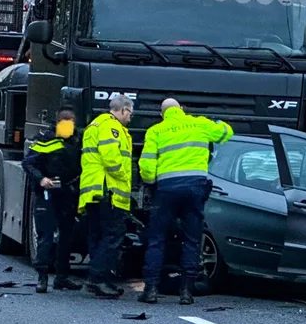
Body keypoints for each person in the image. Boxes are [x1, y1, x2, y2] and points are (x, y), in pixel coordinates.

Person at [138, 99, 233, 305]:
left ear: (162, 114)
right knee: (192, 239)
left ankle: (151, 290)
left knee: (157, 239)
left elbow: (146, 167)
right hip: (195, 188)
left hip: (167, 190)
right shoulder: (199, 123)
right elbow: (227, 133)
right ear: (182, 109)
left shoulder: (156, 131)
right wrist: (217, 122)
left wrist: (153, 181)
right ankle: (187, 292)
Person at [21, 108, 85, 293]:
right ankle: (42, 277)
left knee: (66, 235)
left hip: (67, 192)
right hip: (46, 192)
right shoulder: (46, 139)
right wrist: (41, 178)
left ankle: (62, 277)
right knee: (46, 235)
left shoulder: (76, 140)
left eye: (71, 120)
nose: (68, 124)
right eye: (65, 120)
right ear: (58, 122)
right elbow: (28, 163)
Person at [79, 95, 133, 299]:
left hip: (94, 191)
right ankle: (96, 278)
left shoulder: (96, 124)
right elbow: (111, 157)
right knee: (113, 235)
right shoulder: (111, 126)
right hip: (108, 190)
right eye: (130, 114)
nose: (130, 118)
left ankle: (101, 279)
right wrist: (124, 176)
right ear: (124, 110)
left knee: (98, 236)